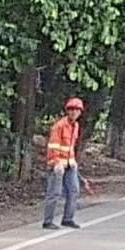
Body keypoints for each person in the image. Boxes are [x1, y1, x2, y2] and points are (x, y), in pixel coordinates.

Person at [42, 98, 94, 230]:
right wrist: (56, 163)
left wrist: (73, 161)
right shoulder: (59, 126)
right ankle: (47, 221)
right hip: (57, 165)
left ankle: (68, 219)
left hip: (69, 164)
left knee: (74, 190)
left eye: (76, 110)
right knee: (54, 192)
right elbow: (53, 146)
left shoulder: (75, 126)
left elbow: (70, 147)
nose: (74, 113)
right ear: (67, 111)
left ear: (80, 112)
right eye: (71, 110)